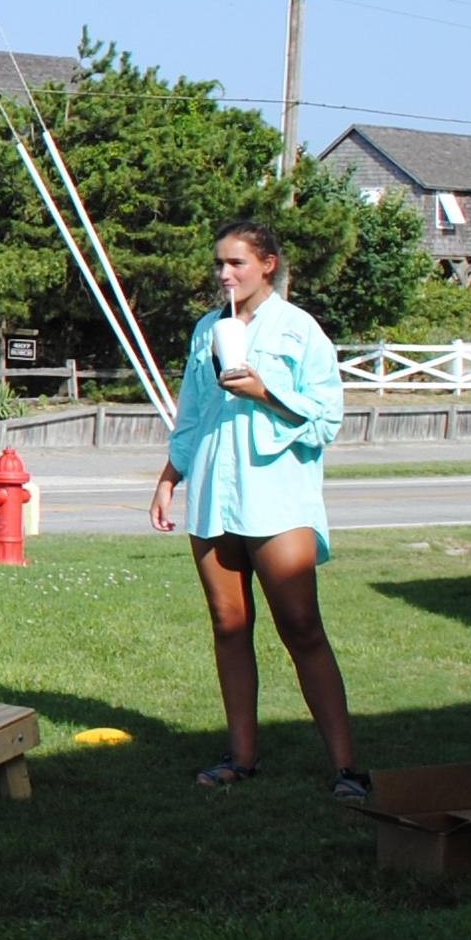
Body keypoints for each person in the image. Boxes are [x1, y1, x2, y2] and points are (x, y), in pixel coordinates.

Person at [149, 218, 368, 799]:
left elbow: (326, 420)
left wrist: (265, 392)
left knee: (301, 627)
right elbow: (192, 415)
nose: (224, 274)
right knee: (229, 624)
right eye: (219, 263)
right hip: (214, 493)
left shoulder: (300, 331)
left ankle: (347, 767)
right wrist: (172, 475)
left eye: (236, 263)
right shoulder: (207, 331)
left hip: (277, 494)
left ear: (267, 263)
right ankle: (241, 757)